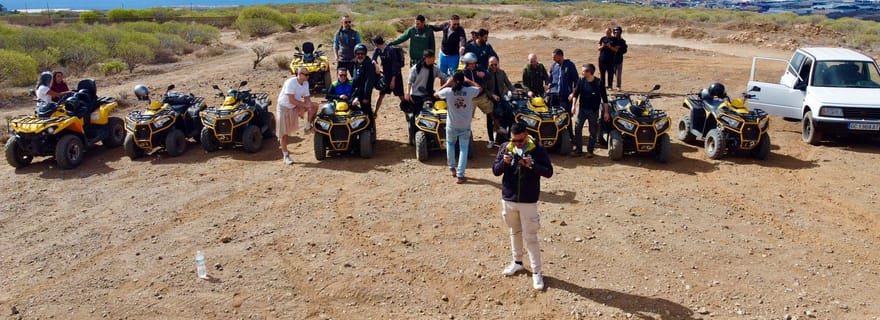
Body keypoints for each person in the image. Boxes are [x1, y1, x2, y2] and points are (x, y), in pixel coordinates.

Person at [492, 121, 554, 291]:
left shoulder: (538, 149)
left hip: (528, 200)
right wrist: (504, 163)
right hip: (509, 199)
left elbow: (548, 172)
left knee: (531, 236)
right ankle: (517, 262)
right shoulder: (506, 147)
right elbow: (496, 170)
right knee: (514, 232)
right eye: (514, 140)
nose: (517, 143)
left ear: (526, 134)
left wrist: (531, 165)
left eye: (520, 140)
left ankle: (536, 272)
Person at [436, 71, 481, 184]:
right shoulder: (469, 91)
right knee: (463, 149)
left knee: (450, 145)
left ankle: (452, 168)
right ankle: (460, 175)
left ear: (454, 81)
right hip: (465, 124)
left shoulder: (448, 91)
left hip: (452, 124)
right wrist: (468, 81)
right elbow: (480, 88)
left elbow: (436, 94)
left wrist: (447, 83)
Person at [277, 67, 318, 165]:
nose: (308, 76)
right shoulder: (290, 83)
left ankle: (308, 126)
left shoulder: (306, 83)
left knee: (314, 106)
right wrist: (305, 105)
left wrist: (308, 106)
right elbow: (291, 100)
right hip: (284, 108)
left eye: (308, 74)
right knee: (284, 134)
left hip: (295, 107)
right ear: (300, 74)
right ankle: (286, 155)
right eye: (306, 74)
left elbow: (307, 98)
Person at [405, 49, 447, 145]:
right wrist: (408, 94)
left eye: (433, 57)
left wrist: (451, 80)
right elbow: (409, 82)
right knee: (415, 118)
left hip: (428, 95)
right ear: (425, 58)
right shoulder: (415, 68)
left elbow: (443, 76)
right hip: (416, 96)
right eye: (430, 58)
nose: (432, 59)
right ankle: (413, 138)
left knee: (434, 114)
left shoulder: (435, 68)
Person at [569, 63, 609, 158]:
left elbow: (605, 99)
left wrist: (606, 112)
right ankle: (578, 150)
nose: (582, 72)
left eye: (583, 71)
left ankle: (590, 151)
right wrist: (573, 106)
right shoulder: (581, 81)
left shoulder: (599, 83)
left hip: (593, 111)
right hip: (582, 110)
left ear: (589, 72)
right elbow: (576, 94)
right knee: (578, 128)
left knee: (593, 131)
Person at [460, 52, 498, 148]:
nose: (473, 65)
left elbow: (489, 76)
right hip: (470, 99)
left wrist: (484, 74)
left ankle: (491, 139)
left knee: (491, 115)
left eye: (474, 63)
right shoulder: (463, 72)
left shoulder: (479, 67)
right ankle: (466, 139)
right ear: (466, 64)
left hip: (481, 97)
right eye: (471, 64)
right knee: (467, 119)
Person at [547, 48, 578, 142]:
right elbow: (550, 79)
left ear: (560, 56)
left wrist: (573, 93)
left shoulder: (570, 65)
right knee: (551, 115)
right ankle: (553, 135)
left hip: (564, 96)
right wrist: (548, 88)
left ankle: (570, 136)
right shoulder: (553, 66)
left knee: (565, 116)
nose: (553, 59)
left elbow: (576, 81)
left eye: (555, 57)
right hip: (553, 95)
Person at [371, 36, 404, 117]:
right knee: (381, 94)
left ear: (376, 43)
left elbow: (395, 66)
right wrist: (376, 65)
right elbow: (373, 59)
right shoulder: (378, 50)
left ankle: (408, 111)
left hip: (396, 76)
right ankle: (375, 113)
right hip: (386, 76)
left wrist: (393, 80)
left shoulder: (391, 50)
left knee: (401, 96)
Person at [350, 43, 378, 133]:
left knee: (366, 109)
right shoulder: (356, 63)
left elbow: (369, 82)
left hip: (365, 91)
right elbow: (354, 78)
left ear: (365, 54)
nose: (360, 55)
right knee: (351, 107)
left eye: (362, 53)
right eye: (358, 53)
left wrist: (366, 97)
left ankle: (370, 129)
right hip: (356, 90)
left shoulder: (368, 64)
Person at [486, 56, 515, 141]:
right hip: (490, 100)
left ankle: (509, 135)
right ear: (489, 64)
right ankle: (491, 139)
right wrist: (492, 95)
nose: (494, 67)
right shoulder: (486, 74)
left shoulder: (502, 73)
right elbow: (484, 88)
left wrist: (514, 91)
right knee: (490, 118)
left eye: (495, 64)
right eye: (492, 65)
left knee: (510, 112)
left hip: (501, 98)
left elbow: (508, 84)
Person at [612, 26, 628, 91]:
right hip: (611, 60)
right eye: (615, 32)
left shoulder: (622, 41)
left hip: (619, 60)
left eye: (618, 32)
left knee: (618, 75)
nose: (616, 33)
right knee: (611, 74)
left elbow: (625, 50)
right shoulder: (611, 40)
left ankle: (618, 86)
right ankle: (609, 86)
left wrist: (619, 49)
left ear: (620, 33)